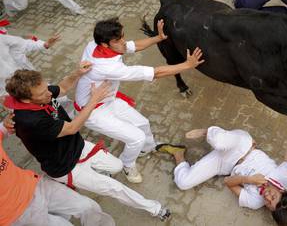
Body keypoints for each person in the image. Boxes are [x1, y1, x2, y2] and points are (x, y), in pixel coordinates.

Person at [4, 67, 171, 221]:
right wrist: (95, 99)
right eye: (42, 93)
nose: (49, 94)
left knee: (118, 166)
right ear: (26, 100)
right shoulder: (30, 121)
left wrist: (77, 73)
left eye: (46, 88)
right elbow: (73, 127)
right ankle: (156, 209)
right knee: (115, 188)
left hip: (79, 147)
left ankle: (96, 177)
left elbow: (62, 88)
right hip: (65, 166)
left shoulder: (43, 93)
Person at [74, 17, 204, 183]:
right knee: (136, 137)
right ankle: (127, 164)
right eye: (118, 39)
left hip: (106, 99)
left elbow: (132, 46)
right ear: (105, 44)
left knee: (143, 123)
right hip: (91, 111)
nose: (123, 41)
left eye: (122, 36)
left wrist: (158, 37)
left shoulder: (95, 44)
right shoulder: (108, 67)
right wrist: (187, 65)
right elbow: (155, 73)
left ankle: (146, 150)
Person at [156, 126, 287, 225]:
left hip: (225, 164)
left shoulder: (254, 202)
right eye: (274, 197)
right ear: (283, 193)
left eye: (269, 205)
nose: (268, 198)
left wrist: (248, 180)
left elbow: (227, 182)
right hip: (242, 145)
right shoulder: (284, 177)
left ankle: (178, 153)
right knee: (217, 141)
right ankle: (207, 131)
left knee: (183, 182)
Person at [0, 114, 115, 226]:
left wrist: (6, 124)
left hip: (35, 185)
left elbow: (4, 129)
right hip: (16, 215)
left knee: (89, 207)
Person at [0, 32, 59, 96]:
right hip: (13, 93)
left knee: (56, 96)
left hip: (32, 79)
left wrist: (44, 45)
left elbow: (24, 44)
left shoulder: (2, 38)